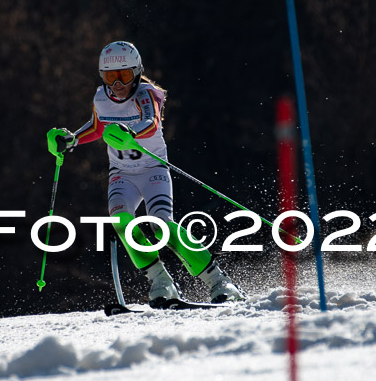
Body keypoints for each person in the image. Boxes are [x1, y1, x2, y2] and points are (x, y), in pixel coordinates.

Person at [46, 40, 244, 306]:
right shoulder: (101, 97)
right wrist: (71, 140)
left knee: (161, 225)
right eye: (110, 77)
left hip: (153, 171)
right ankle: (161, 281)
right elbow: (96, 126)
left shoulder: (145, 94)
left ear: (137, 72)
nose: (117, 85)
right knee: (122, 221)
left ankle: (219, 282)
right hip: (121, 173)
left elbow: (151, 123)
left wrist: (131, 133)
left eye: (124, 76)